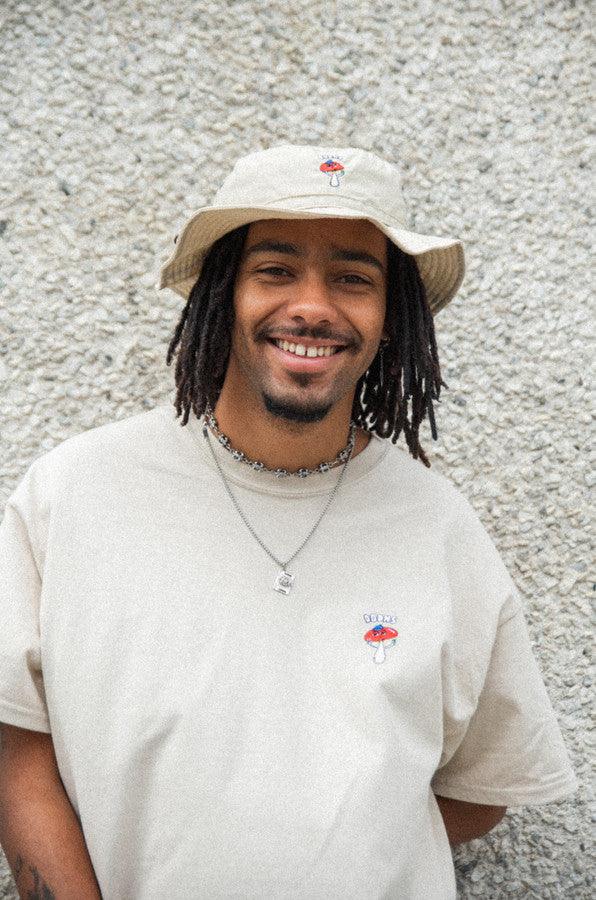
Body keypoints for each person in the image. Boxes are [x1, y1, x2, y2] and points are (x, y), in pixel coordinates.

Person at [0, 145, 578, 899]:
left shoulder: (438, 526)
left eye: (353, 279)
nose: (313, 306)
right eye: (275, 270)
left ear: (390, 315)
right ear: (222, 293)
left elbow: (482, 786)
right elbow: (16, 751)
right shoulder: (73, 492)